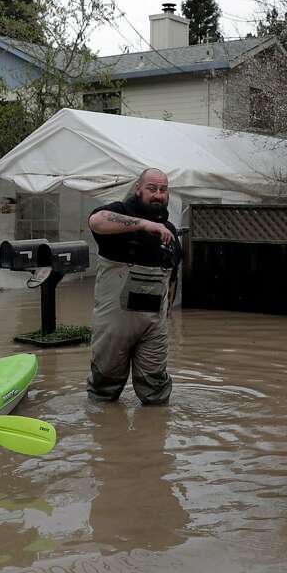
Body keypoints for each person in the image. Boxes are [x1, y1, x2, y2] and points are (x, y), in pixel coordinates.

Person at [86, 168, 182, 405]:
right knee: (104, 389)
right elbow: (96, 221)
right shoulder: (121, 212)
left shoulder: (170, 232)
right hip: (114, 324)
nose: (158, 195)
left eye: (163, 190)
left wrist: (166, 315)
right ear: (138, 188)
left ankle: (153, 435)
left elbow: (172, 279)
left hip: (153, 326)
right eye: (151, 188)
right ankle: (105, 432)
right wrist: (144, 225)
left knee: (156, 390)